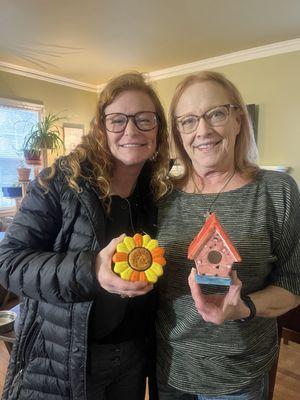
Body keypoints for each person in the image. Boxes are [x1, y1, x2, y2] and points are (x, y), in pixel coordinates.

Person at [0, 72, 171, 400]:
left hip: (135, 356)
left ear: (158, 130)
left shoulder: (158, 192)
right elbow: (8, 263)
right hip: (67, 357)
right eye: (117, 120)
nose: (131, 130)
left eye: (144, 119)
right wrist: (90, 268)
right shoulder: (59, 182)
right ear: (101, 128)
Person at [156, 71, 300, 400]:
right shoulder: (161, 196)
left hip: (239, 376)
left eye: (216, 114)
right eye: (188, 121)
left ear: (237, 120)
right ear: (179, 132)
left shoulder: (276, 192)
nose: (203, 130)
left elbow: (293, 285)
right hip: (169, 367)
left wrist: (244, 307)